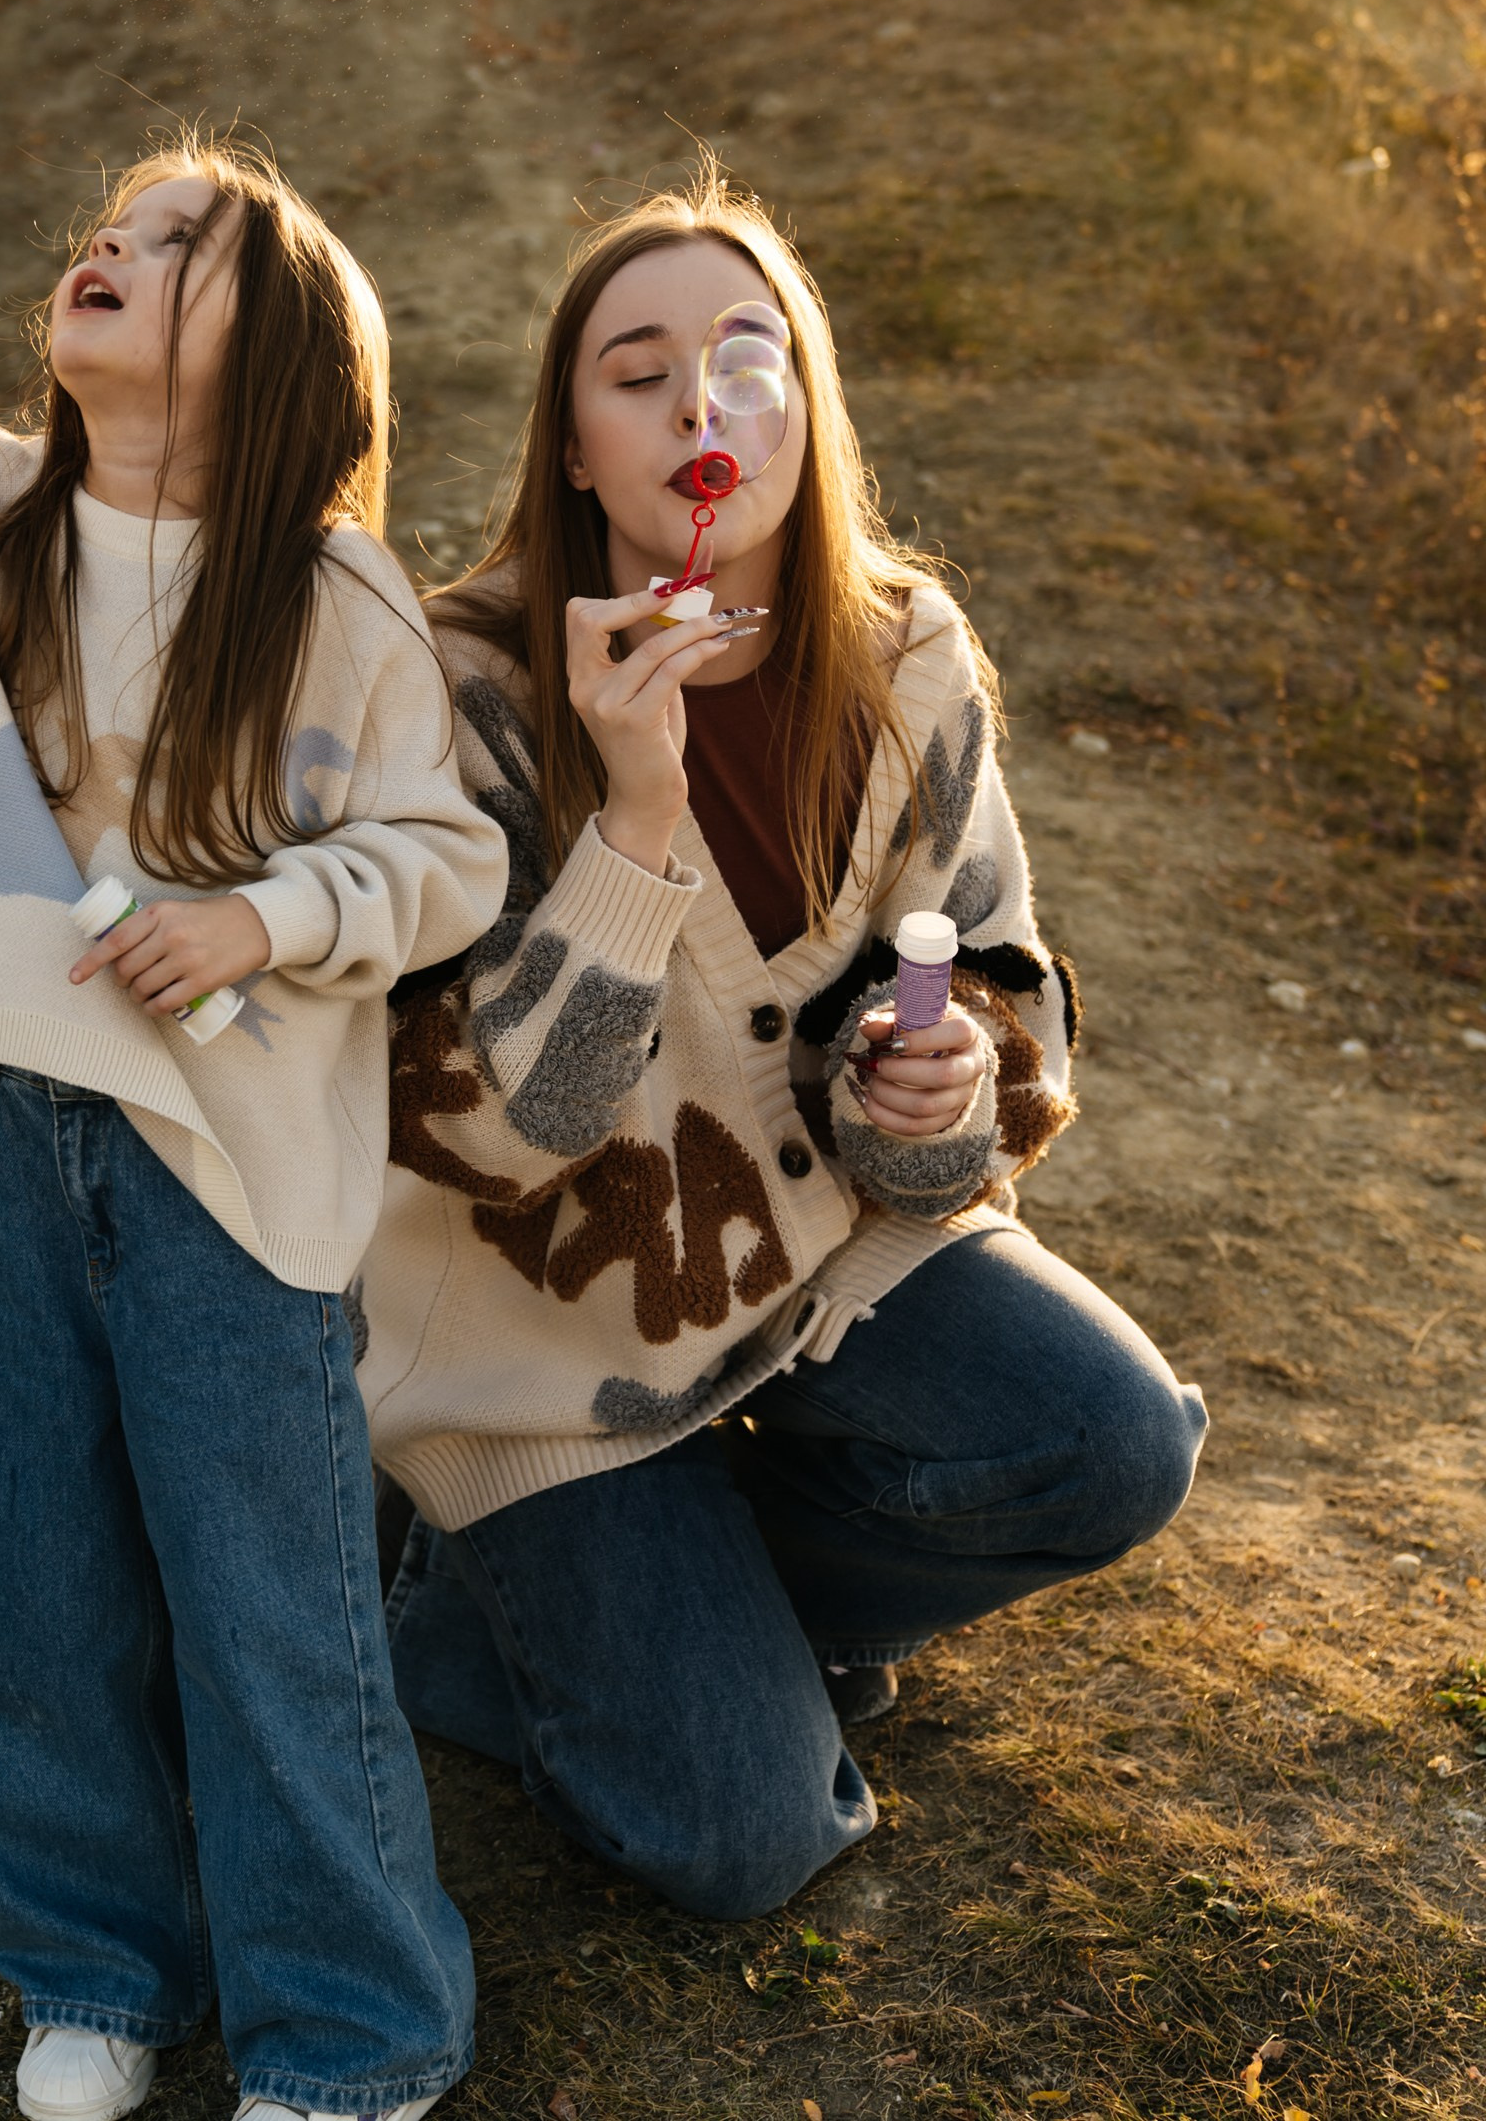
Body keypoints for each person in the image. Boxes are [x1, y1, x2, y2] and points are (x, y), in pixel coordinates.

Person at [0, 0, 507, 2121]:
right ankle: (95, 1972)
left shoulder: (335, 600)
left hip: (240, 1176)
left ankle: (353, 2033)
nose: (110, 245)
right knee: (39, 1590)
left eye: (177, 243)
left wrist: (263, 920)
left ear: (280, 362)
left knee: (270, 1609)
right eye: (109, 226)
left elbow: (448, 864)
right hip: (26, 1136)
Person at [360, 161, 1205, 1920]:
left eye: (749, 356)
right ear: (575, 446)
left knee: (1121, 1444)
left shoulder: (905, 655)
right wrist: (639, 817)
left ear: (808, 414)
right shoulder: (464, 694)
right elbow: (506, 1134)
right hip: (556, 1357)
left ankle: (696, 1615)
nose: (699, 400)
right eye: (638, 366)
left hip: (828, 1261)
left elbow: (989, 977)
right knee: (744, 1841)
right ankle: (461, 1621)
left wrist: (945, 1082)